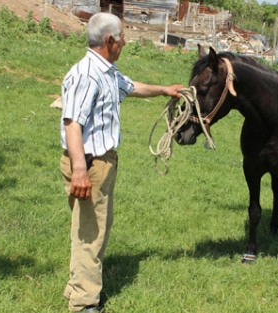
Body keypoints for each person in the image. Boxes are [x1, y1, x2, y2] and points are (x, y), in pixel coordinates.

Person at [59, 12, 184, 313]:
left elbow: (131, 87)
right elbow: (72, 124)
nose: (125, 42)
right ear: (110, 40)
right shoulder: (87, 74)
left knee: (92, 229)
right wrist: (79, 170)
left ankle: (78, 287)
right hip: (89, 163)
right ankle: (84, 303)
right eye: (123, 37)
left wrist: (165, 90)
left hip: (101, 162)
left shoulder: (107, 71)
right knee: (91, 233)